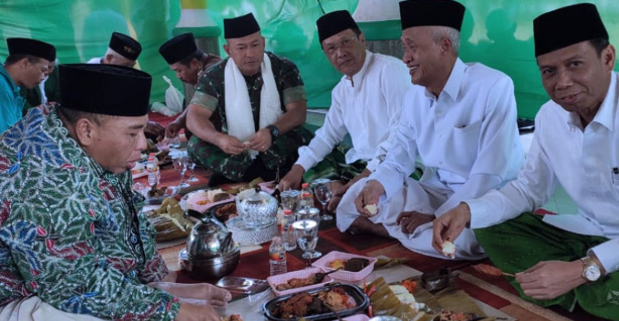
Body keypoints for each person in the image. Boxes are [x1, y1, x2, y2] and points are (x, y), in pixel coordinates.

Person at [432, 3, 619, 321]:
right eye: (549, 71)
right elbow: (529, 190)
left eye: (575, 65)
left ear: (608, 58)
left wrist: (581, 269)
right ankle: (608, 303)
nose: (562, 82)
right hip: (584, 238)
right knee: (489, 226)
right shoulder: (549, 117)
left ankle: (587, 292)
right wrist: (468, 210)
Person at [0, 64, 231, 321]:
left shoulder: (82, 134)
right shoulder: (44, 179)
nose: (143, 144)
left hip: (56, 278)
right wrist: (170, 307)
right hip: (19, 306)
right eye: (133, 132)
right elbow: (71, 284)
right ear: (86, 130)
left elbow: (125, 219)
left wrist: (158, 284)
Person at [336, 0, 524, 260]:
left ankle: (398, 232)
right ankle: (412, 233)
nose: (405, 58)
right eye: (404, 48)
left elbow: (488, 175)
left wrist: (436, 216)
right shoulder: (414, 96)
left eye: (412, 47)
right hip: (434, 191)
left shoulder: (493, 87)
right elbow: (399, 157)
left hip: (483, 198)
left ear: (444, 46)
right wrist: (377, 186)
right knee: (355, 196)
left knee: (469, 240)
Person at [278, 10, 411, 213]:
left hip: (394, 165)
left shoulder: (389, 70)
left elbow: (401, 135)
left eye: (346, 42)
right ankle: (344, 195)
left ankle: (346, 197)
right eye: (331, 48)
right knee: (310, 165)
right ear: (325, 54)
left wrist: (364, 176)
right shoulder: (341, 89)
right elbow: (327, 136)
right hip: (359, 165)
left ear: (362, 39)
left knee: (381, 190)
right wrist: (296, 170)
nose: (340, 53)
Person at [186, 12, 310, 185]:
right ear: (228, 50)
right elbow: (194, 117)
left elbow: (298, 112)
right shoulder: (214, 76)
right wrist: (219, 139)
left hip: (276, 141)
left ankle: (244, 175)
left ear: (263, 43)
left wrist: (272, 131)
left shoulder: (283, 68)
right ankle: (253, 173)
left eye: (255, 45)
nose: (250, 53)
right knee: (195, 144)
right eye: (241, 48)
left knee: (304, 137)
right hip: (236, 147)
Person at [158, 32, 222, 139]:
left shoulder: (212, 74)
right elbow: (199, 101)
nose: (178, 76)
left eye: (179, 70)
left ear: (194, 64)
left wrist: (181, 122)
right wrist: (179, 121)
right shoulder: (205, 65)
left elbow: (200, 110)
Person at [0, 37, 55, 134]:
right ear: (24, 63)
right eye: (42, 70)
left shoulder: (12, 89)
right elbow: (6, 139)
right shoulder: (3, 88)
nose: (43, 77)